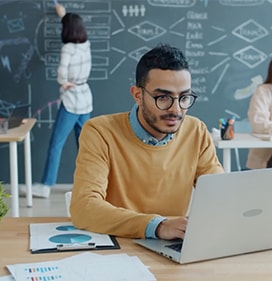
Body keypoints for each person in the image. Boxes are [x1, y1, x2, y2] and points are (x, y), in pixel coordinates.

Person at [70, 43, 223, 239]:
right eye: (163, 97)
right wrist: (157, 226)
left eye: (184, 97)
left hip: (172, 247)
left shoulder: (196, 131)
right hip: (118, 245)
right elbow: (83, 208)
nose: (176, 110)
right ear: (137, 95)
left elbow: (219, 193)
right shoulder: (100, 132)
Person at [24, 4, 93, 198]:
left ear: (67, 30)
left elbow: (61, 73)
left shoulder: (68, 48)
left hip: (71, 101)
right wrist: (63, 15)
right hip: (85, 99)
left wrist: (63, 82)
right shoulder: (85, 44)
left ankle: (46, 186)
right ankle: (88, 186)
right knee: (86, 146)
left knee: (56, 143)